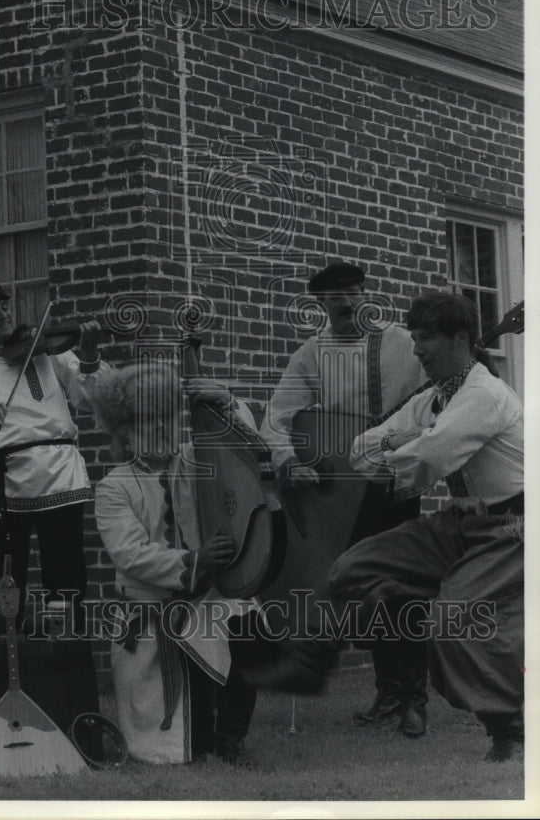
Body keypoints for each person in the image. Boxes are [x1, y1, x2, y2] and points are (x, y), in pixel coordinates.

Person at [332, 292, 524, 762]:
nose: (416, 350)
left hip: (512, 528)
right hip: (460, 522)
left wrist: (408, 443)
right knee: (351, 570)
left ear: (462, 339)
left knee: (457, 621)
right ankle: (430, 608)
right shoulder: (437, 396)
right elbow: (361, 447)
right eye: (414, 338)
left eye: (426, 339)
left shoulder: (483, 394)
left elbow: (434, 455)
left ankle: (510, 728)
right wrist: (412, 436)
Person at [258, 261, 429, 736]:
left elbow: (441, 394)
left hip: (397, 481)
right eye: (337, 297)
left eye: (355, 293)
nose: (349, 303)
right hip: (348, 490)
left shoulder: (403, 342)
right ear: (322, 304)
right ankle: (390, 691)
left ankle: (413, 695)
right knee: (363, 592)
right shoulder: (313, 353)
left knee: (403, 586)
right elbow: (276, 416)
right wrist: (290, 462)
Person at [91, 357, 261, 766]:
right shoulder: (113, 487)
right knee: (182, 745)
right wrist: (195, 560)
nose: (162, 427)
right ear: (126, 434)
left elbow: (245, 446)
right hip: (152, 613)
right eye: (149, 420)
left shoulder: (195, 461)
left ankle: (232, 736)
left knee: (253, 626)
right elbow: (130, 554)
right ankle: (204, 735)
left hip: (205, 599)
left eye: (167, 416)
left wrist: (227, 400)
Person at [0, 281, 107, 629]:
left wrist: (88, 355)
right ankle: (3, 649)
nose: (3, 314)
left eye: (5, 306)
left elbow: (91, 399)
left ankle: (65, 650)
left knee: (65, 573)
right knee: (3, 578)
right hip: (5, 483)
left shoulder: (50, 353)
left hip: (59, 473)